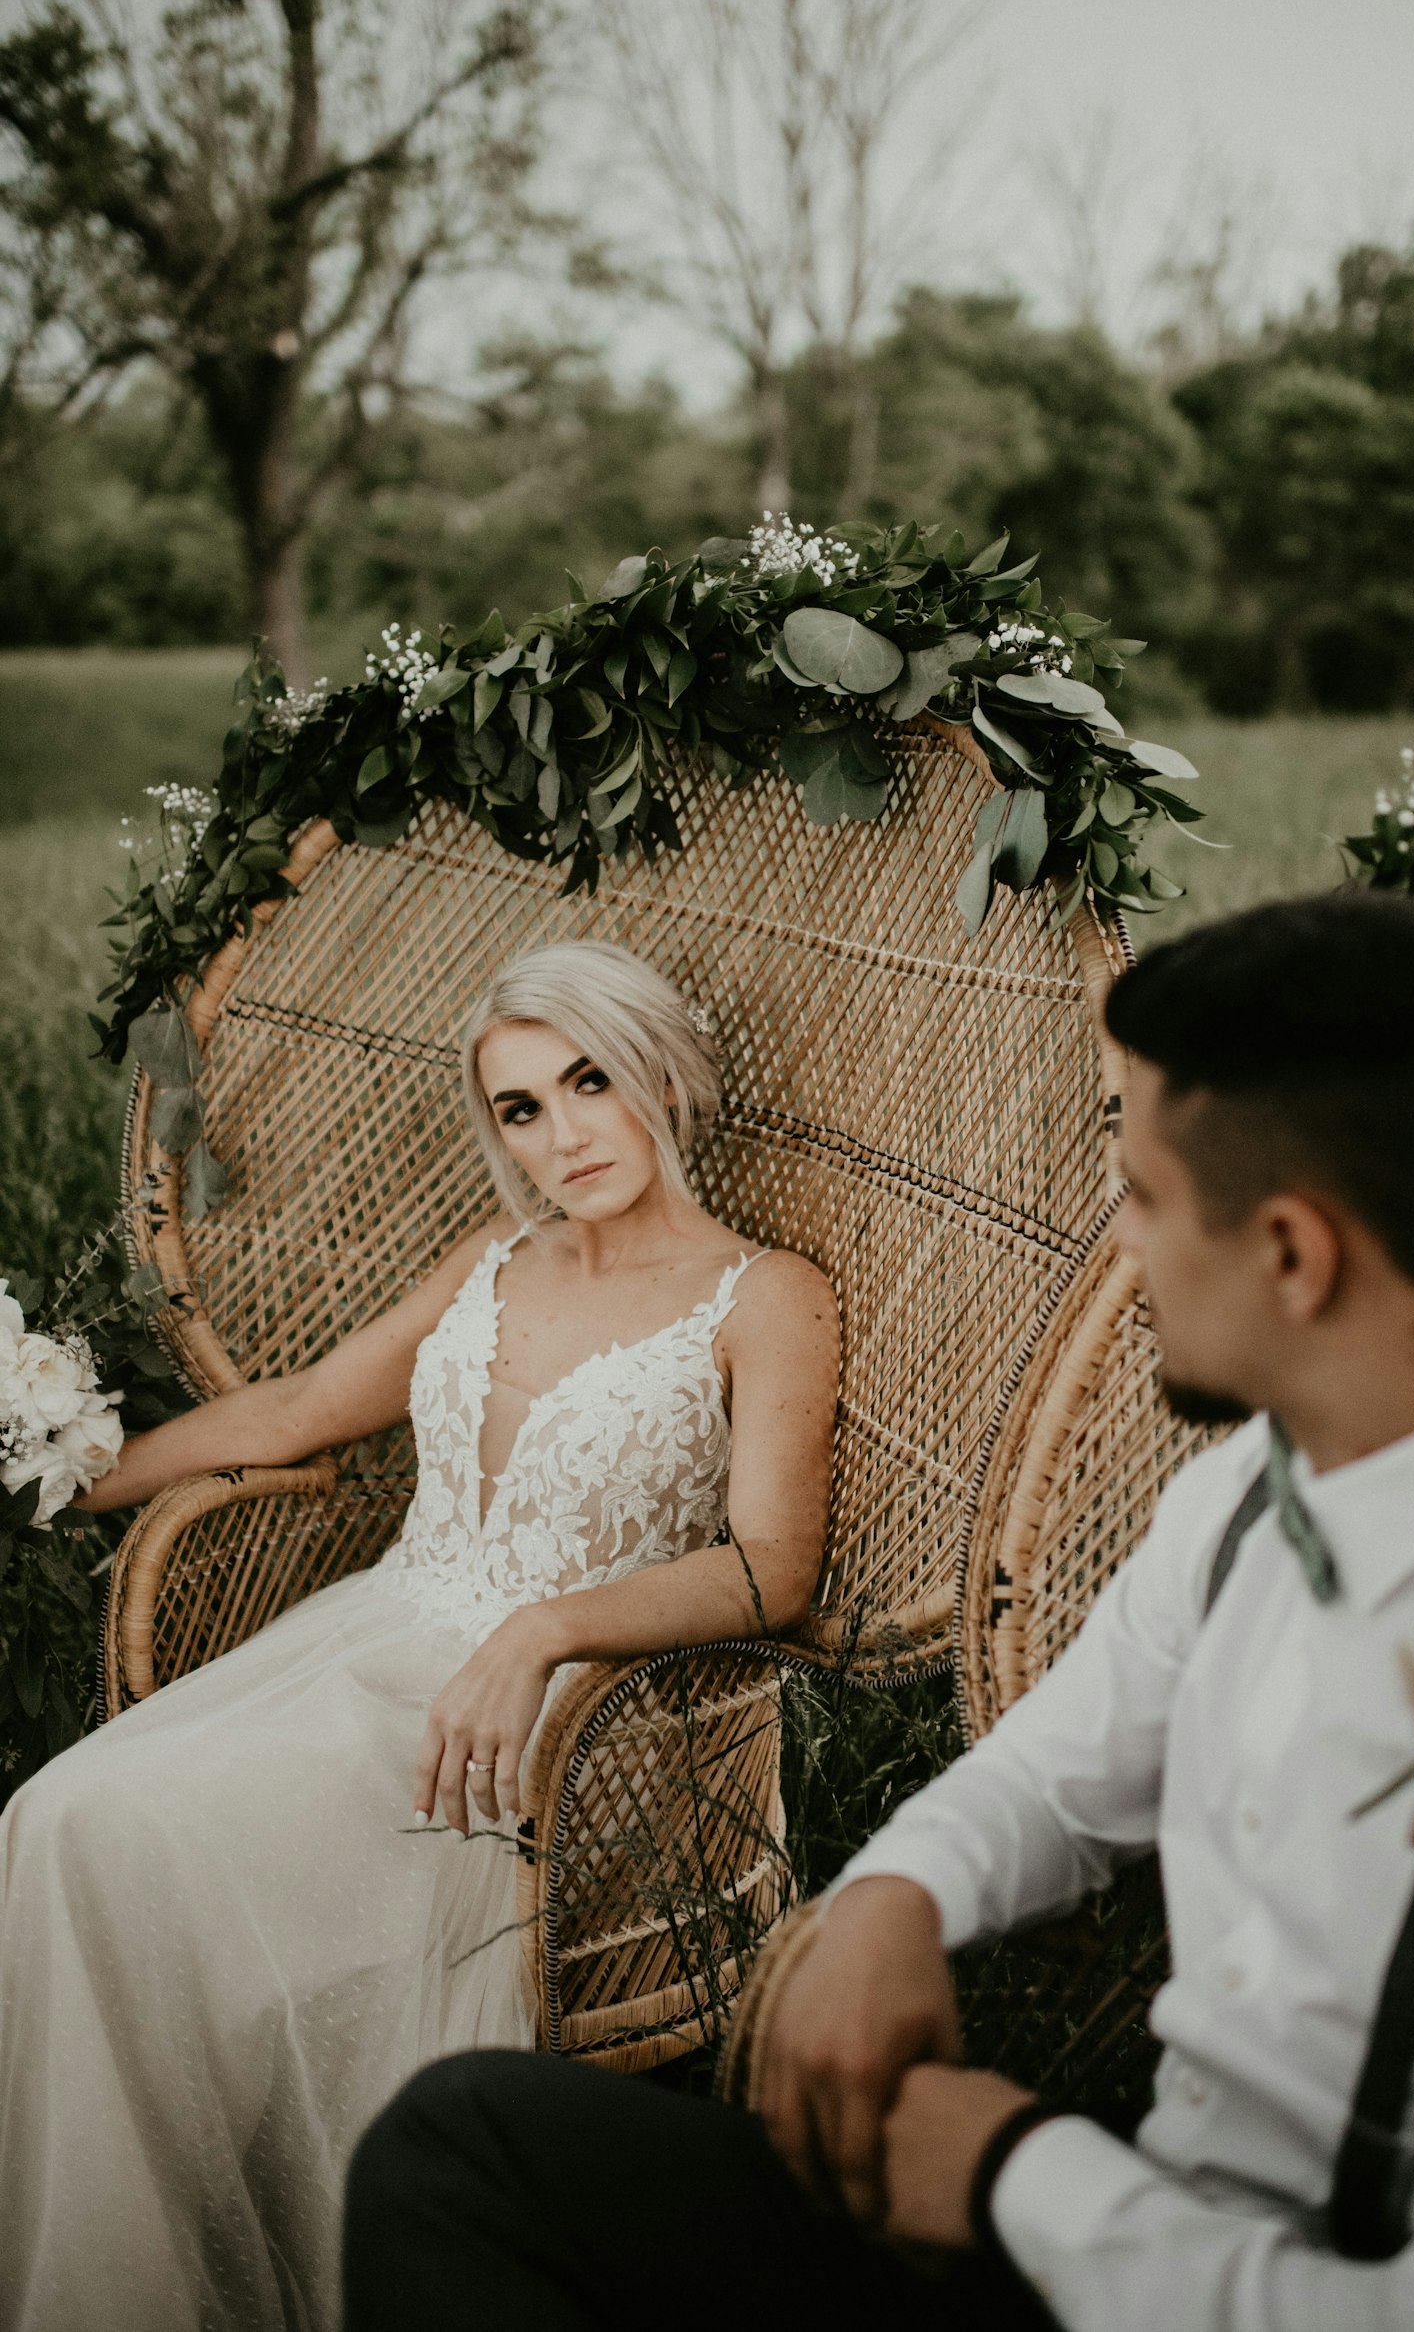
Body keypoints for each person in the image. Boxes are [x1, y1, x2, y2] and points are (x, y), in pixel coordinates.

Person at [345, 891, 1414, 2332]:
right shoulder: (1249, 1493)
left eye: (1139, 1194)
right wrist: (899, 1892)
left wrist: (1013, 2168)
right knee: (461, 2148)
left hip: (1203, 2274)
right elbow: (1053, 1772)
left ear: (1295, 1255)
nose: (1115, 1250)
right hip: (1095, 2232)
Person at [0, 940, 838, 2332]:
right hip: (366, 1642)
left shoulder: (766, 1295)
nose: (562, 1134)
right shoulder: (493, 1258)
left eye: (587, 1081)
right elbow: (295, 1412)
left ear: (659, 1075)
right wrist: (65, 1468)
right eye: (519, 1106)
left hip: (555, 1710)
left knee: (116, 1838)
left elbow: (773, 1567)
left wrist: (545, 1629)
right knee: (59, 1816)